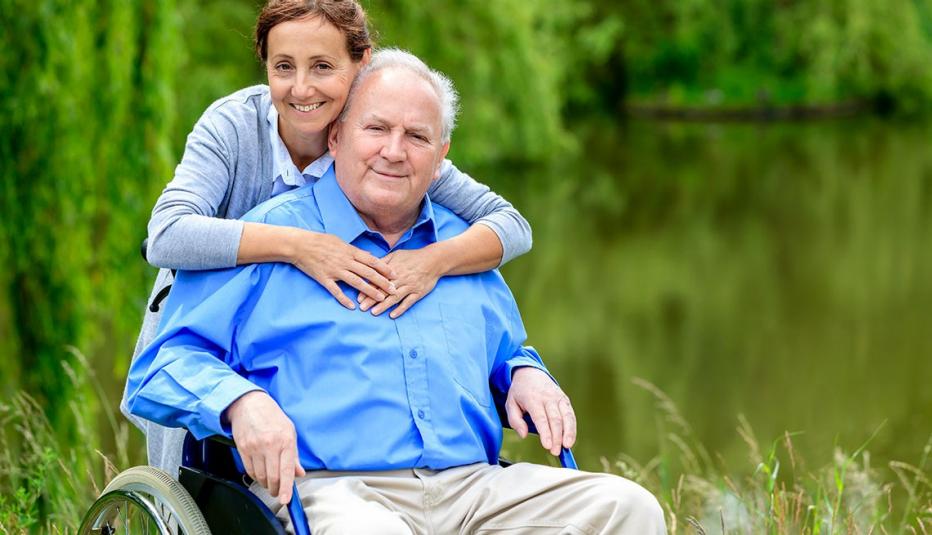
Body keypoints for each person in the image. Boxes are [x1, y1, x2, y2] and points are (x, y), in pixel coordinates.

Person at [126, 48, 667, 534]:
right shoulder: (268, 239)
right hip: (330, 488)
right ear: (336, 138)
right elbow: (162, 366)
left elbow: (505, 351)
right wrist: (240, 402)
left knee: (628, 507)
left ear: (441, 156)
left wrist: (527, 374)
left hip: (471, 486)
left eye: (417, 137)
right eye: (376, 128)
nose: (394, 151)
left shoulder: (463, 250)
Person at [124, 0, 533, 477]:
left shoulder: (387, 148)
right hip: (210, 309)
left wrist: (432, 262)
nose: (302, 88)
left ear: (361, 64)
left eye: (322, 67)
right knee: (190, 468)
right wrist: (301, 246)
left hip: (304, 340)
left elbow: (510, 225)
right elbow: (167, 234)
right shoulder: (235, 127)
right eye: (283, 67)